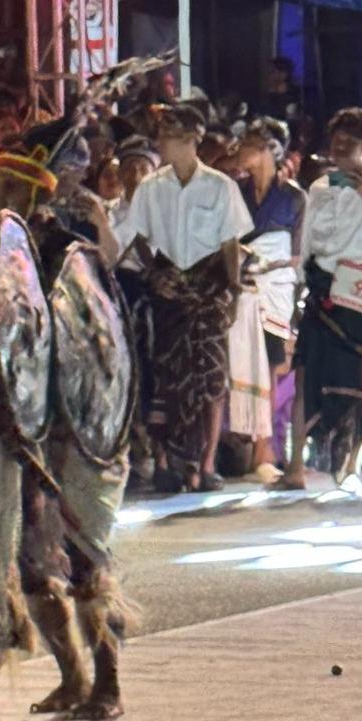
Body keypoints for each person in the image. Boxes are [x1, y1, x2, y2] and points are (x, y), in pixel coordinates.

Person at [116, 104, 254, 492]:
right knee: (167, 377)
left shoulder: (219, 185)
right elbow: (139, 240)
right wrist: (155, 274)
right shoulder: (150, 187)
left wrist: (233, 291)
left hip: (209, 289)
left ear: (191, 141)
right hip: (169, 289)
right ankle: (165, 463)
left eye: (169, 138)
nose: (162, 143)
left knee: (211, 379)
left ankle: (205, 464)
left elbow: (231, 243)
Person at [284, 108, 362, 489]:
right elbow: (307, 240)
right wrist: (299, 285)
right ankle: (295, 466)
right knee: (305, 373)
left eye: (349, 145)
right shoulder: (320, 188)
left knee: (356, 378)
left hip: (360, 292)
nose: (340, 150)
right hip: (322, 287)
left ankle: (351, 465)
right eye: (336, 143)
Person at [234, 116, 306, 484]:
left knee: (274, 365)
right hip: (243, 286)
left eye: (248, 145)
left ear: (267, 150)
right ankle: (251, 446)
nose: (240, 152)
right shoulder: (236, 191)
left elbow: (297, 254)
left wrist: (269, 263)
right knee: (245, 364)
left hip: (276, 287)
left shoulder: (294, 196)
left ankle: (267, 448)